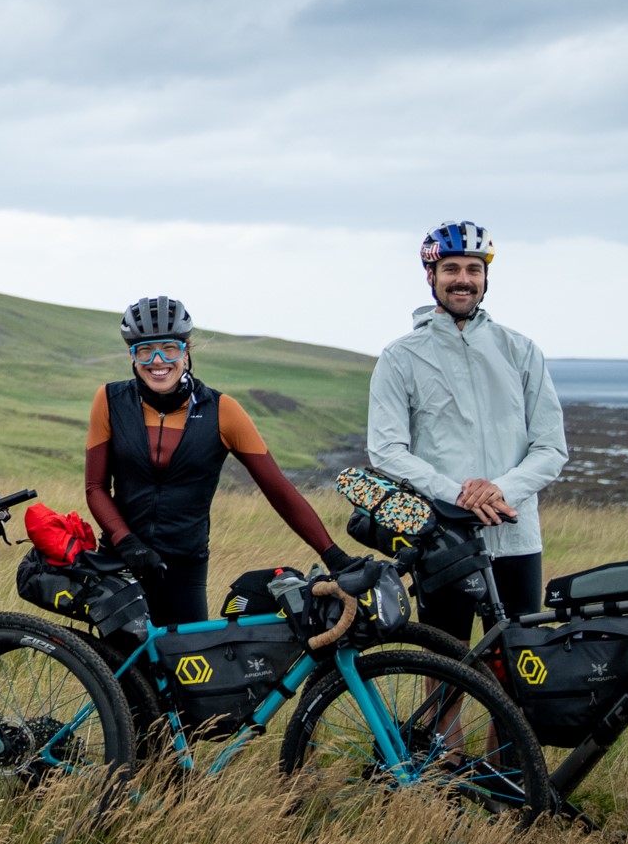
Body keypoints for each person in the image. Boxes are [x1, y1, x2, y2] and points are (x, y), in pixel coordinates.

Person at [85, 296, 351, 629]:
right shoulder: (109, 401)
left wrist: (332, 554)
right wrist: (126, 541)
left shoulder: (222, 411)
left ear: (186, 350)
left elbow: (278, 490)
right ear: (132, 356)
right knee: (118, 675)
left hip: (184, 569)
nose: (157, 361)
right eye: (144, 350)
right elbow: (95, 487)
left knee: (186, 675)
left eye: (169, 348)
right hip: (120, 562)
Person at [366, 222, 568, 641]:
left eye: (473, 270)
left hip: (515, 535)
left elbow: (551, 447)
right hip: (443, 537)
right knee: (445, 667)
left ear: (485, 277)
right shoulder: (399, 357)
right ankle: (445, 713)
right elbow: (386, 450)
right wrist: (457, 495)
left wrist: (500, 489)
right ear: (431, 276)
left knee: (516, 663)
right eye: (451, 269)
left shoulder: (522, 350)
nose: (463, 280)